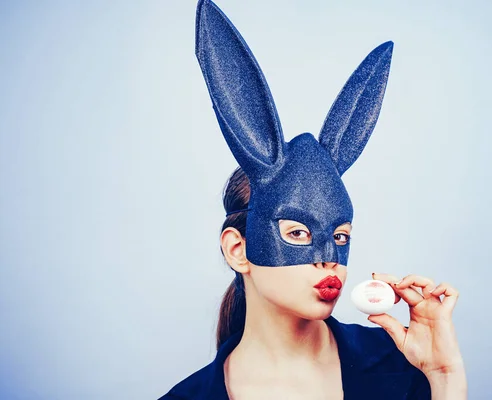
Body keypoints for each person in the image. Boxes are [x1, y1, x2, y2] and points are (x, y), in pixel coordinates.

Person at [160, 1, 467, 398]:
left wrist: (443, 376)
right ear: (239, 249)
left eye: (340, 236)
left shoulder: (400, 367)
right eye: (299, 233)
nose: (329, 259)